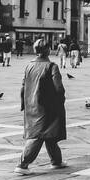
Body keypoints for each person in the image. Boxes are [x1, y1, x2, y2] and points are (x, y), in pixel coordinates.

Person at [18, 40, 67, 171]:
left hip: (31, 104)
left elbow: (23, 87)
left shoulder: (29, 66)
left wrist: (24, 104)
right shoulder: (52, 66)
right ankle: (22, 164)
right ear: (48, 50)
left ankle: (57, 161)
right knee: (38, 136)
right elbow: (59, 88)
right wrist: (60, 101)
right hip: (47, 107)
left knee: (49, 135)